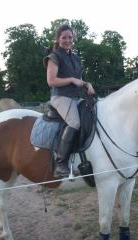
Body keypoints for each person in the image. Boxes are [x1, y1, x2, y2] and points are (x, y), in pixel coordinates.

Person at [43, 24, 95, 177]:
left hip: (75, 97)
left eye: (70, 37)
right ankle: (60, 163)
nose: (67, 40)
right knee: (75, 123)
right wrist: (72, 79)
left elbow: (79, 80)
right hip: (60, 97)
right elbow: (51, 81)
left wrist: (87, 84)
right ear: (58, 39)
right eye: (64, 37)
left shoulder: (76, 58)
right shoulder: (54, 57)